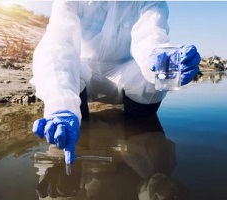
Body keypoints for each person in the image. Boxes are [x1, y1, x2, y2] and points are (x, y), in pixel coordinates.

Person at [31, 1, 201, 164]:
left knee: (153, 79)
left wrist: (161, 58)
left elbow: (150, 37)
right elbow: (60, 42)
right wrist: (59, 105)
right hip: (82, 72)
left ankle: (142, 145)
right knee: (55, 57)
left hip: (125, 72)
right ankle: (68, 116)